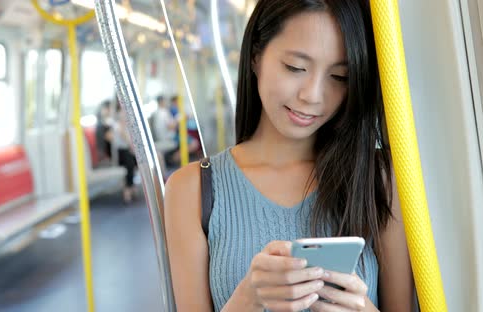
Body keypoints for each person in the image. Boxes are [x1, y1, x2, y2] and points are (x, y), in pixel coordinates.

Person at [164, 1, 415, 312]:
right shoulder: (193, 190)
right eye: (295, 68)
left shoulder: (378, 177)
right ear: (256, 56)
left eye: (339, 77)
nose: (312, 95)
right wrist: (247, 299)